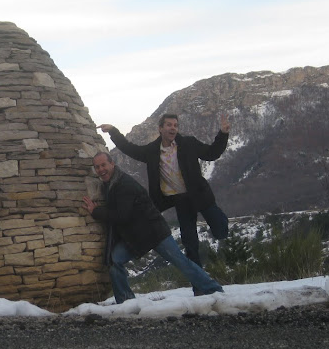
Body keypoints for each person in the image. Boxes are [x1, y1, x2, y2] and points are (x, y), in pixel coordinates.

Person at [82, 152, 223, 303]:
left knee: (181, 262)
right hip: (135, 237)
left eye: (103, 165)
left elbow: (122, 215)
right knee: (114, 260)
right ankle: (126, 301)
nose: (101, 169)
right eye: (97, 167)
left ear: (112, 164)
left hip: (155, 232)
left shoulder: (124, 184)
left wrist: (96, 211)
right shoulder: (109, 185)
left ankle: (213, 289)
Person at [98, 113, 230, 269]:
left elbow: (211, 154)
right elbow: (130, 148)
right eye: (169, 125)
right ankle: (200, 285)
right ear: (160, 128)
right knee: (190, 242)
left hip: (200, 195)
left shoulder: (189, 143)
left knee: (221, 231)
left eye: (175, 125)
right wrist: (113, 131)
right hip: (181, 200)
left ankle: (222, 222)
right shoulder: (152, 151)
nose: (173, 128)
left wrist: (223, 134)